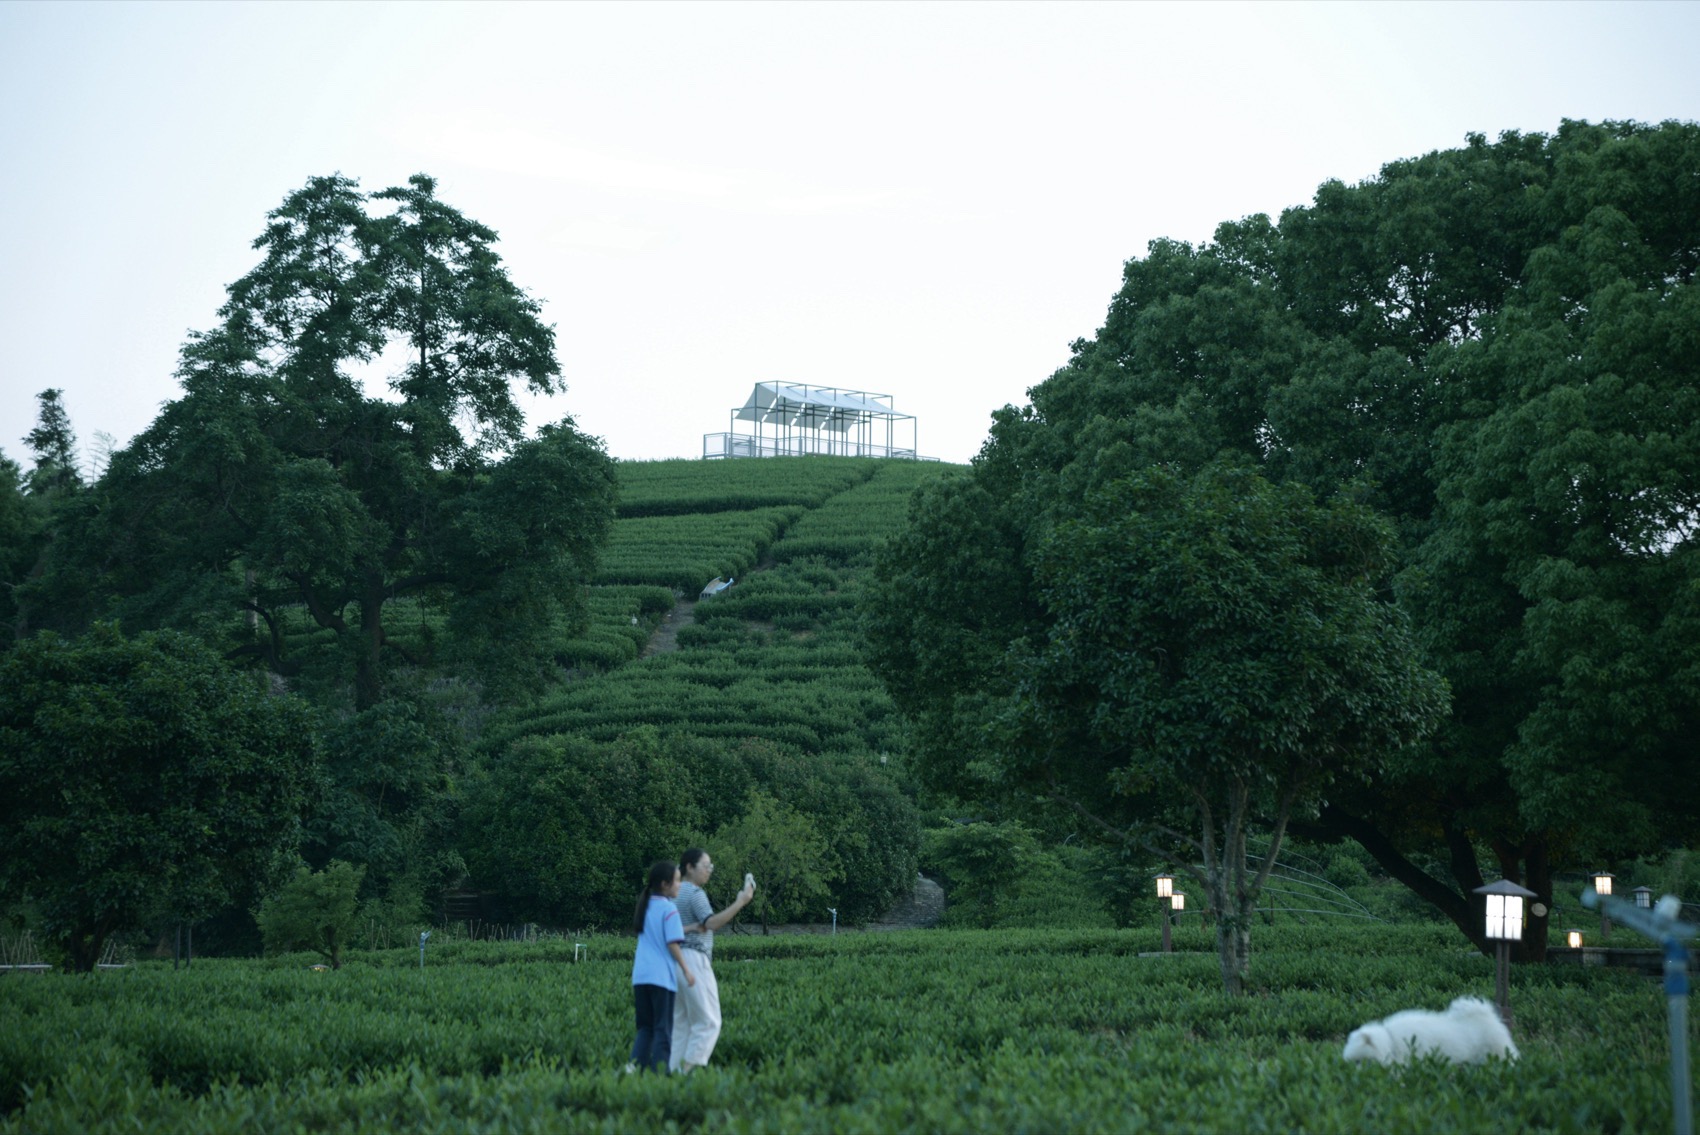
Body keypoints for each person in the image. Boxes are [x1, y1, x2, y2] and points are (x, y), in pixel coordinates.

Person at [670, 848, 756, 1074]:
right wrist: (741, 902)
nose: (709, 871)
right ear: (689, 867)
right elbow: (711, 924)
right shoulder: (695, 893)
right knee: (709, 1023)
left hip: (675, 960)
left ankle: (669, 1077)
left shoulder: (673, 893)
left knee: (682, 1025)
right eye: (705, 866)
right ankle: (685, 1074)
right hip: (694, 959)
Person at [630, 860, 694, 1073]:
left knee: (645, 1029)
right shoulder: (669, 909)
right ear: (665, 884)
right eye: (677, 881)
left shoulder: (645, 906)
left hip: (640, 977)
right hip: (661, 979)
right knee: (663, 1030)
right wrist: (686, 969)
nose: (680, 885)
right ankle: (660, 1076)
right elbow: (672, 943)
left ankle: (634, 1069)